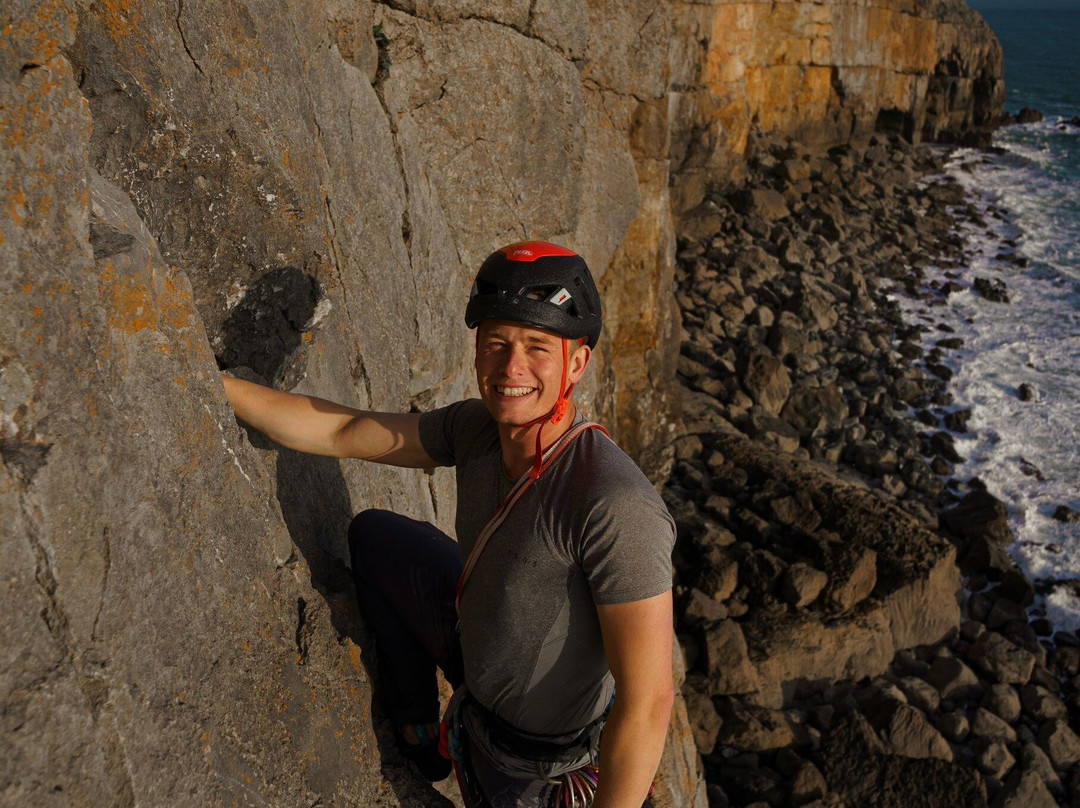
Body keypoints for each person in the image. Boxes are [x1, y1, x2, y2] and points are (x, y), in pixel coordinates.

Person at [222, 241, 676, 808]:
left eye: (538, 347)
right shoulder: (476, 429)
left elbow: (649, 699)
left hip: (535, 755)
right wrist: (212, 387)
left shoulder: (612, 504)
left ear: (577, 363)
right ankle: (420, 734)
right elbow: (346, 431)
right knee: (378, 540)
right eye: (496, 344)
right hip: (480, 652)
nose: (512, 368)